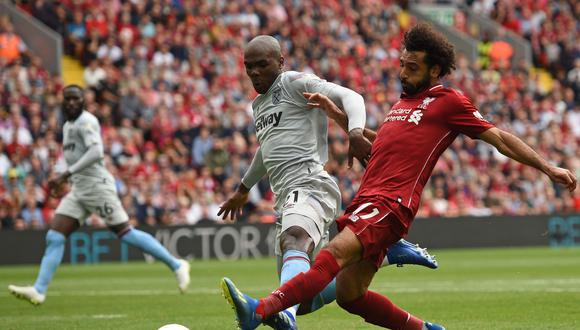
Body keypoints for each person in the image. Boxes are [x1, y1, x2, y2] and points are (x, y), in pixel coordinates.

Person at [220, 24, 577, 330]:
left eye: (412, 67)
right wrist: (341, 120)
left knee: (331, 255)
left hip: (390, 203)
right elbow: (383, 147)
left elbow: (498, 138)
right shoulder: (402, 105)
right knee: (349, 295)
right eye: (402, 65)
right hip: (369, 198)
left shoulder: (448, 102)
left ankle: (260, 310)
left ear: (435, 71)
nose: (403, 74)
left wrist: (547, 167)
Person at [218, 35, 437, 330]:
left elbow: (352, 97)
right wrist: (243, 189)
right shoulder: (259, 105)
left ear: (280, 63)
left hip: (309, 183)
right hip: (286, 196)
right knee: (305, 297)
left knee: (294, 239)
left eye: (262, 64)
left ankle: (280, 315)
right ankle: (382, 252)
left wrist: (356, 132)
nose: (254, 72)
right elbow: (266, 150)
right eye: (249, 67)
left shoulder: (294, 83)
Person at [8, 85, 191, 305]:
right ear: (62, 102)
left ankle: (177, 265)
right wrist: (61, 176)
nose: (71, 103)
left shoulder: (87, 121)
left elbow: (96, 152)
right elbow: (74, 158)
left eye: (76, 99)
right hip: (79, 190)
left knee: (126, 233)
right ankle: (39, 289)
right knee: (54, 236)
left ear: (83, 101)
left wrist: (65, 175)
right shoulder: (67, 125)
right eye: (68, 99)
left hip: (97, 187)